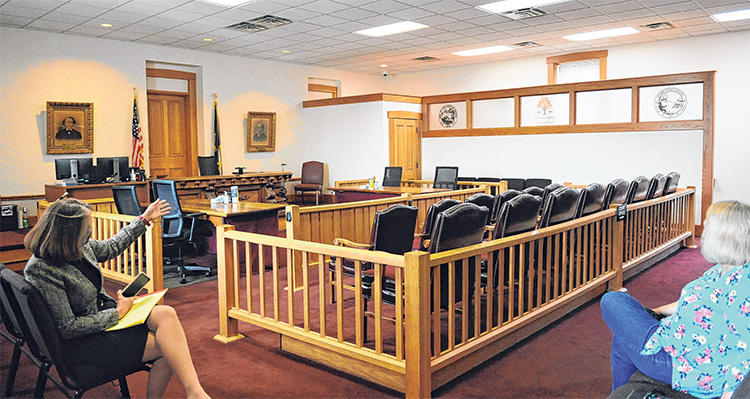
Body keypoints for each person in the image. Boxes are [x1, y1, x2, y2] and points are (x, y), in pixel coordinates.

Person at [24, 198, 211, 399]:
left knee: (166, 313)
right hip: (82, 344)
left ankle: (195, 392)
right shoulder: (41, 269)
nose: (89, 231)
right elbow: (68, 327)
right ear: (68, 232)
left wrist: (144, 219)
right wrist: (118, 313)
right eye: (86, 227)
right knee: (170, 349)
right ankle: (192, 394)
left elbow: (111, 247)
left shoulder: (77, 246)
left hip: (101, 318)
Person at [601, 200, 750, 399]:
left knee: (613, 300)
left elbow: (743, 351)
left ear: (723, 236)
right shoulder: (722, 268)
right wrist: (653, 312)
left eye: (707, 227)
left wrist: (728, 395)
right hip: (676, 341)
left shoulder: (741, 285)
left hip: (685, 365)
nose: (703, 233)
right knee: (623, 333)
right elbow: (691, 299)